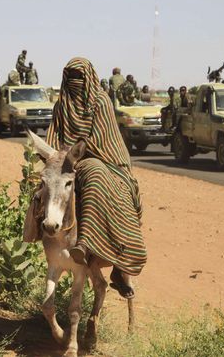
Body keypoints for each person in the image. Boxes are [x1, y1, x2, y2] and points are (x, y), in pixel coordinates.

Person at [26, 57, 146, 299]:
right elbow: (54, 133)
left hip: (102, 158)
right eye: (71, 78)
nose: (75, 83)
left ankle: (103, 254)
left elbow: (103, 139)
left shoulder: (100, 102)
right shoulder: (62, 104)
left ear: (89, 78)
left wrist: (76, 155)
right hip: (67, 156)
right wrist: (56, 157)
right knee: (45, 184)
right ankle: (37, 234)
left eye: (80, 78)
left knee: (93, 175)